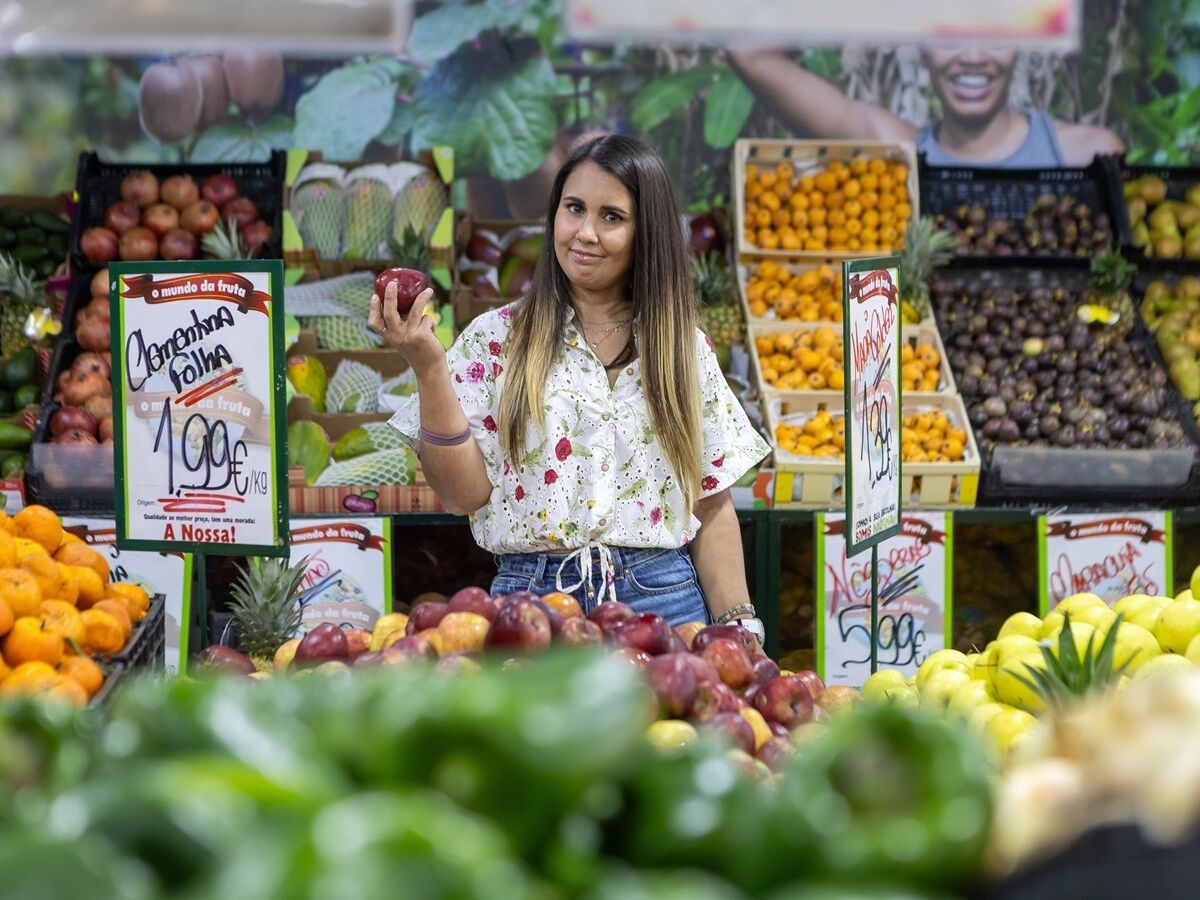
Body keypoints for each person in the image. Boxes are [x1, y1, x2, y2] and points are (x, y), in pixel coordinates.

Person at [374, 134, 771, 639]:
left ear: (645, 231)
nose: (585, 232)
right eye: (574, 208)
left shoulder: (680, 350)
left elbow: (712, 505)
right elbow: (462, 494)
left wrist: (741, 626)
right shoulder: (498, 339)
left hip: (662, 600)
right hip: (529, 602)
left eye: (612, 217)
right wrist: (429, 367)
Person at [729, 45, 1124, 167]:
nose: (972, 56)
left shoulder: (1086, 154)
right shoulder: (894, 148)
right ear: (920, 49)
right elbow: (749, 53)